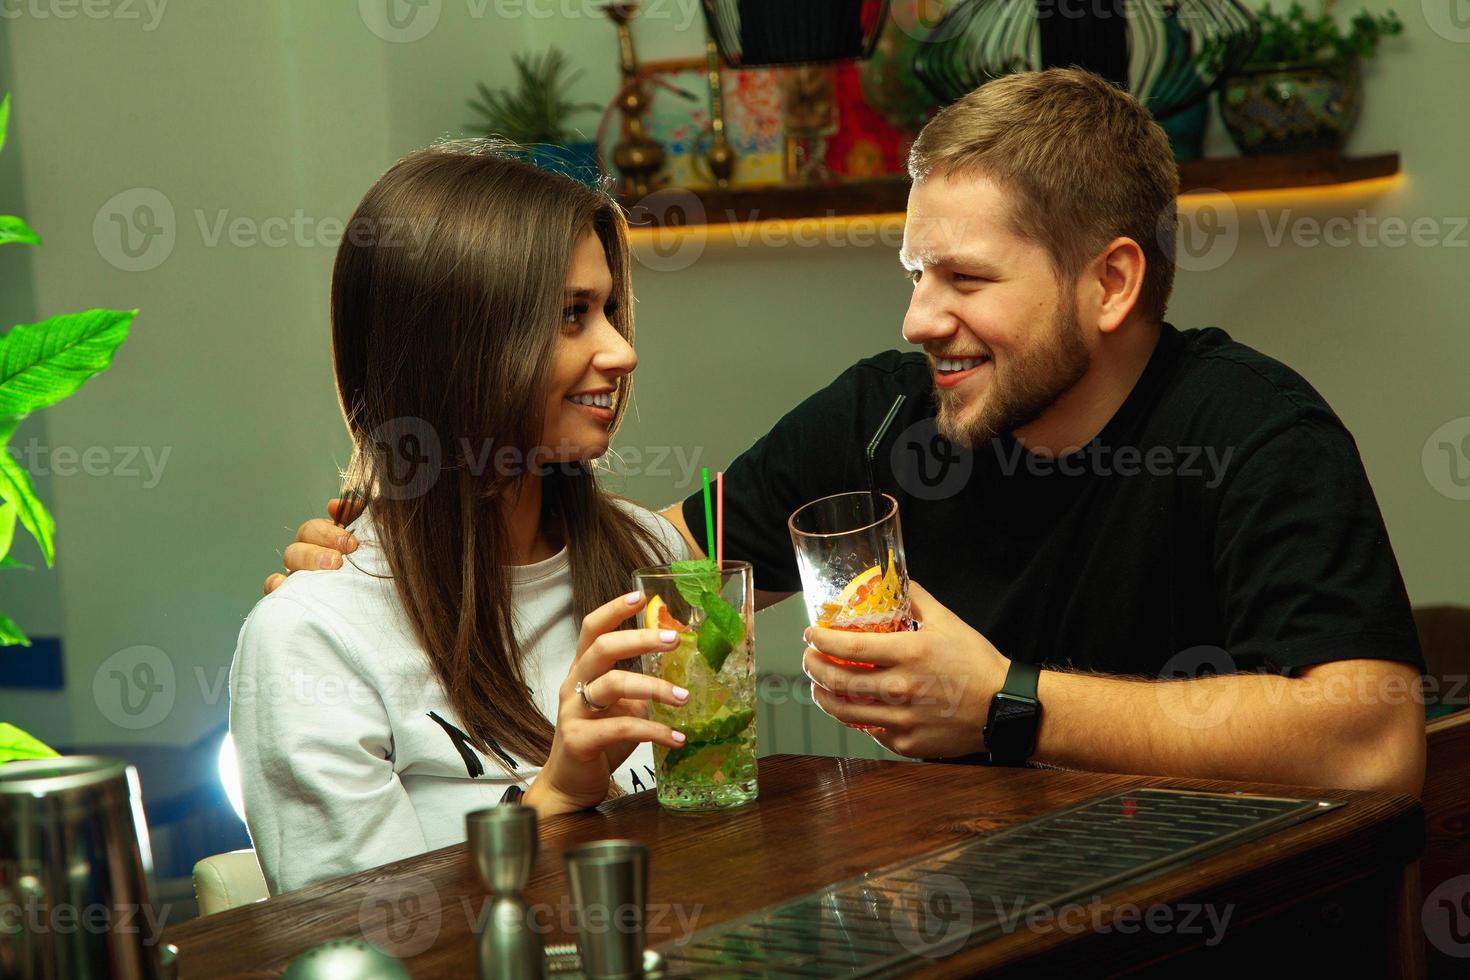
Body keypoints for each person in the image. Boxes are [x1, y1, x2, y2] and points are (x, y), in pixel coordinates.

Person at [271, 70, 1425, 798]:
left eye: (965, 277)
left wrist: (1006, 701)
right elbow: (656, 572)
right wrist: (381, 552)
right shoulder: (887, 413)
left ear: (1110, 282)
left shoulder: (1253, 429)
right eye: (917, 272)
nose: (921, 318)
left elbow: (1369, 736)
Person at [233, 141, 694, 895]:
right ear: (457, 350)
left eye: (608, 309)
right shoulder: (312, 641)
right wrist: (554, 799)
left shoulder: (650, 553)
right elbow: (375, 949)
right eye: (570, 316)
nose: (620, 350)